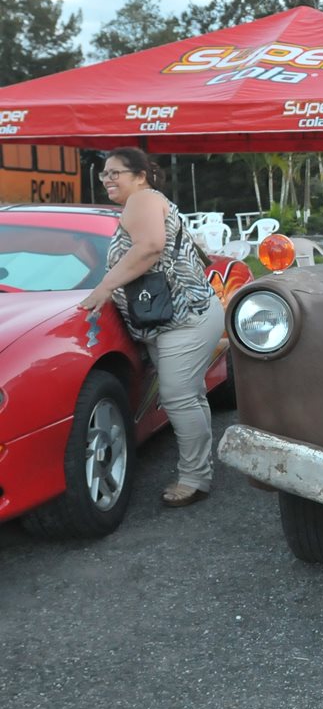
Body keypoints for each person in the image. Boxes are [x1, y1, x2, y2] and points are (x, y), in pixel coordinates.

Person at [79, 148, 226, 508]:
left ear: (141, 175)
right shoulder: (143, 202)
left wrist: (103, 287)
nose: (107, 179)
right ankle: (201, 470)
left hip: (184, 319)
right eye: (103, 174)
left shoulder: (142, 198)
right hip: (173, 319)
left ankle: (194, 479)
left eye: (116, 173)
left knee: (178, 397)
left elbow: (149, 248)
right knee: (189, 396)